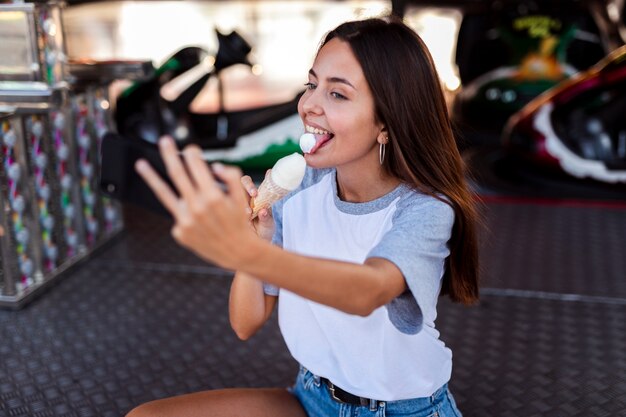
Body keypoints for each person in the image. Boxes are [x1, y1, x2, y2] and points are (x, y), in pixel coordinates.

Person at [128, 15, 480, 417]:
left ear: (386, 122)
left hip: (402, 410)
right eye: (312, 84)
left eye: (338, 95)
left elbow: (367, 292)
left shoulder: (426, 210)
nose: (309, 105)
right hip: (311, 395)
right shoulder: (300, 184)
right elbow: (246, 324)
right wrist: (253, 244)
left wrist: (252, 257)